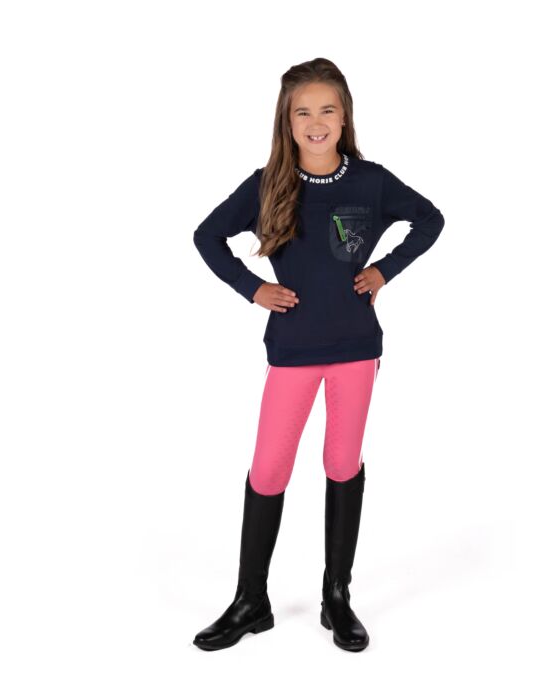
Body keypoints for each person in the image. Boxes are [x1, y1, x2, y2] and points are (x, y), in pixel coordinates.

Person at [191, 57, 445, 652]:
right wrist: (253, 288)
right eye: (302, 112)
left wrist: (384, 270)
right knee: (269, 470)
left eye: (327, 109)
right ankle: (251, 600)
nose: (315, 122)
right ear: (287, 121)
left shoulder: (371, 181)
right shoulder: (267, 183)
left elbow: (430, 220)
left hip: (355, 347)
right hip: (293, 349)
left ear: (344, 116)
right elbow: (207, 236)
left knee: (342, 462)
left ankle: (337, 597)